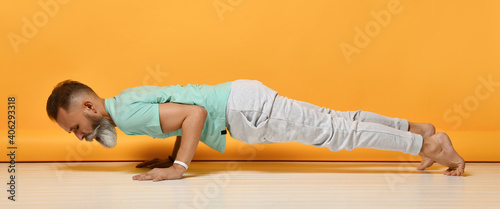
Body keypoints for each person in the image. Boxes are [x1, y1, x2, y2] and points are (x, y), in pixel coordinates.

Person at [46, 79, 465, 182]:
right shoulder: (124, 101)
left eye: (76, 128)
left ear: (88, 106)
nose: (80, 136)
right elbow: (184, 114)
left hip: (245, 111)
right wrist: (169, 155)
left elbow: (193, 114)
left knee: (337, 133)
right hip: (242, 99)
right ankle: (418, 129)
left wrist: (178, 167)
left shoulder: (129, 116)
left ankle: (429, 144)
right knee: (337, 120)